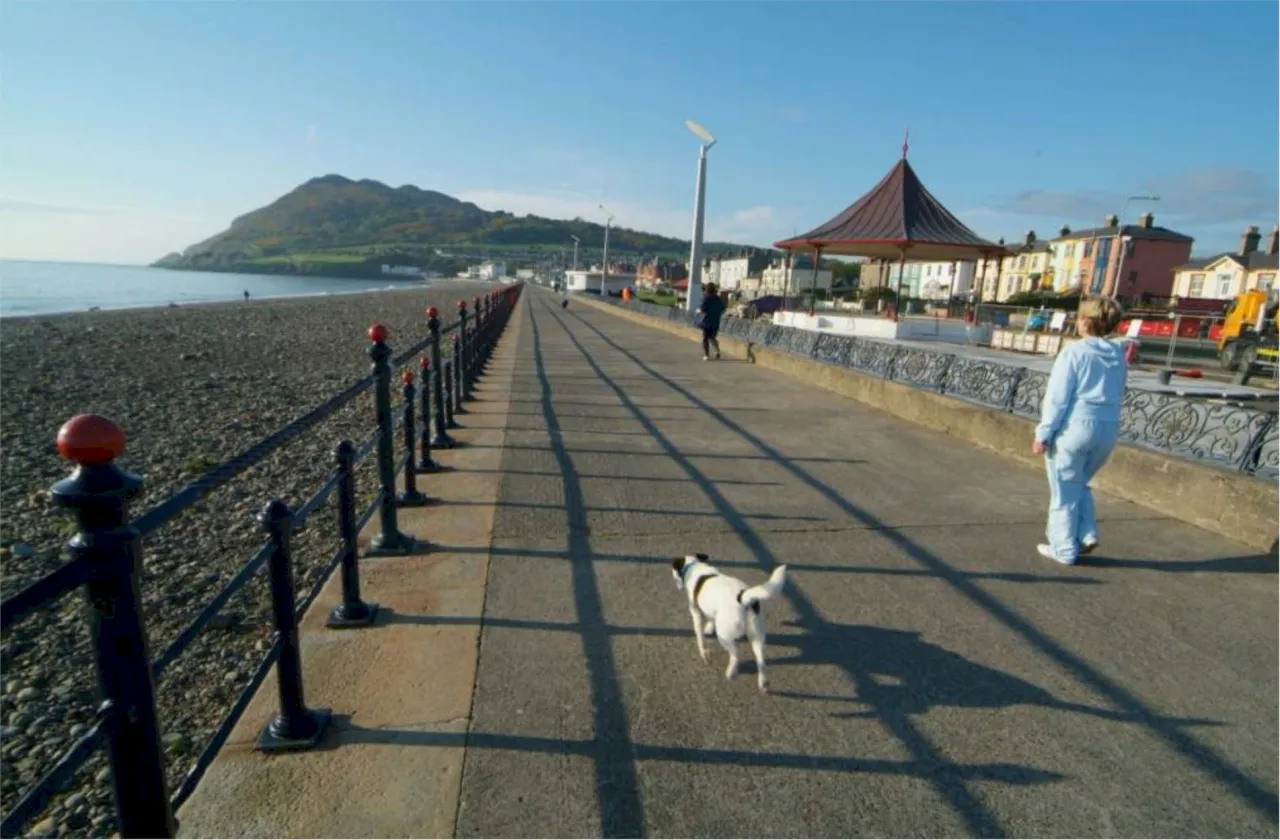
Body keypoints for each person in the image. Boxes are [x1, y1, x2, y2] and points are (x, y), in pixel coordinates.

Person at [1033, 295, 1128, 565]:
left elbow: (1058, 398)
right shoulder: (1118, 356)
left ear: (1086, 321)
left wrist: (1043, 434)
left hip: (1075, 427)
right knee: (1080, 483)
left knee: (1063, 492)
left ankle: (1063, 548)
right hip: (1106, 428)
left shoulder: (1074, 352)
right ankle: (1085, 533)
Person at [697, 282, 726, 361]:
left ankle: (707, 355)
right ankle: (717, 351)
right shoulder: (718, 299)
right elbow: (723, 308)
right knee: (712, 338)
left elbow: (703, 309)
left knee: (705, 338)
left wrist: (698, 311)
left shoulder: (706, 298)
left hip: (706, 322)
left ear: (707, 289)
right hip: (716, 322)